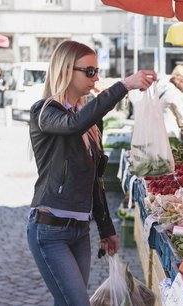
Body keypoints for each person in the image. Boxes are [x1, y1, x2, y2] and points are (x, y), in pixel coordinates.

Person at [27, 40, 156, 305]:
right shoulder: (45, 111)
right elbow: (73, 125)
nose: (95, 77)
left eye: (97, 71)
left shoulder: (87, 120)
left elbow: (95, 180)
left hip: (80, 231)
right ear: (65, 70)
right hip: (49, 230)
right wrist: (123, 86)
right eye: (89, 71)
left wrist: (106, 228)